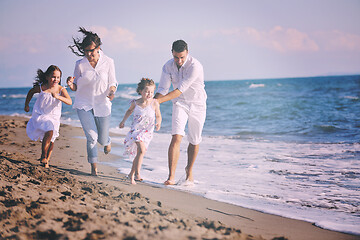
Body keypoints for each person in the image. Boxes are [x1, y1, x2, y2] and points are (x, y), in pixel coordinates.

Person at [67, 27, 118, 176]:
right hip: (83, 104)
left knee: (101, 139)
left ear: (98, 48)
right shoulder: (80, 64)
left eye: (91, 50)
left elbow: (113, 82)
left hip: (102, 104)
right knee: (92, 137)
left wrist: (112, 91)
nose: (88, 54)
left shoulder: (109, 62)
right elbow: (75, 86)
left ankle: (107, 142)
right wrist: (71, 85)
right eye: (86, 51)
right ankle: (94, 168)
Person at [155, 40, 207, 185]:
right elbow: (163, 89)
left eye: (182, 57)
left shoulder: (195, 66)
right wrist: (152, 102)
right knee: (176, 136)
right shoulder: (167, 66)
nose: (179, 60)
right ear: (172, 52)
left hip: (197, 104)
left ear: (187, 53)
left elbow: (179, 90)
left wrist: (157, 102)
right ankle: (171, 177)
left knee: (194, 140)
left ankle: (189, 170)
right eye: (176, 57)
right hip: (180, 104)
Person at [24, 65, 72, 168]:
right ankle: (43, 155)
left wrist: (58, 97)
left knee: (52, 139)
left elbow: (69, 101)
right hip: (41, 115)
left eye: (58, 77)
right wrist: (26, 104)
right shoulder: (42, 87)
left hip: (54, 117)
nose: (56, 79)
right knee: (50, 131)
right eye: (53, 77)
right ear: (47, 77)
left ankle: (46, 161)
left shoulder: (61, 89)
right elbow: (31, 92)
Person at [119, 78, 162, 184]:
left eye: (151, 92)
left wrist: (158, 123)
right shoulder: (136, 103)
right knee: (142, 151)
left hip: (147, 132)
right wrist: (123, 121)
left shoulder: (154, 103)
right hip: (136, 131)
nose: (149, 94)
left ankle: (131, 174)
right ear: (141, 91)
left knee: (140, 153)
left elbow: (158, 115)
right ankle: (137, 174)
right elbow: (129, 111)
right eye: (147, 91)